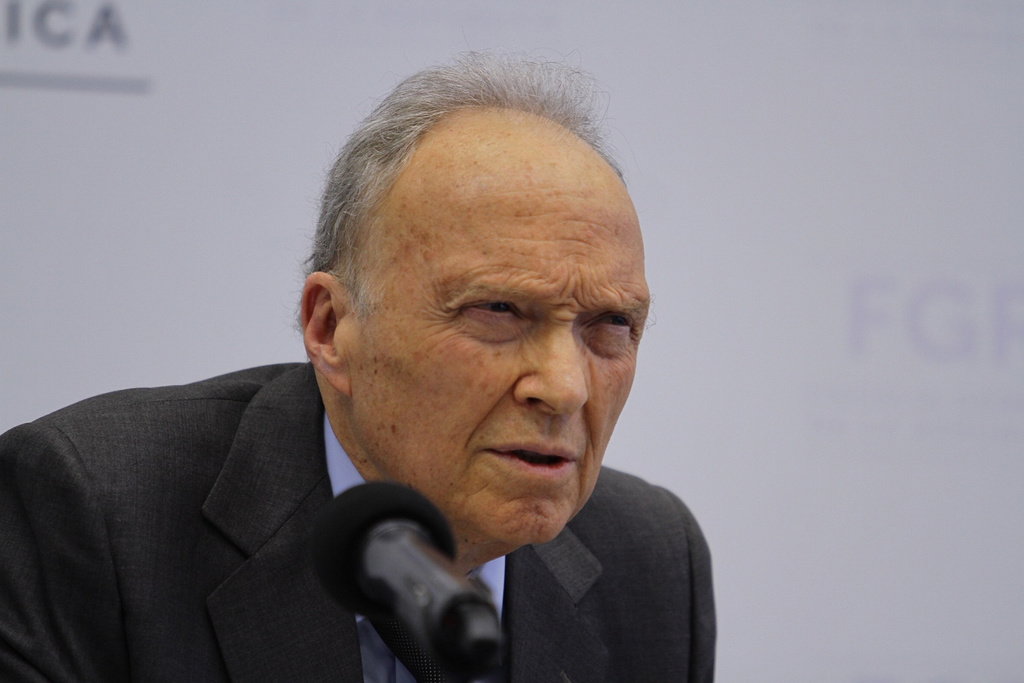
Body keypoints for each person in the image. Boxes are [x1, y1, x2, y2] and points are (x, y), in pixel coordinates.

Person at [0, 53, 715, 682]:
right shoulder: (94, 515)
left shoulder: (652, 564)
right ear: (330, 327)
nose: (564, 387)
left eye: (610, 325)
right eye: (498, 310)